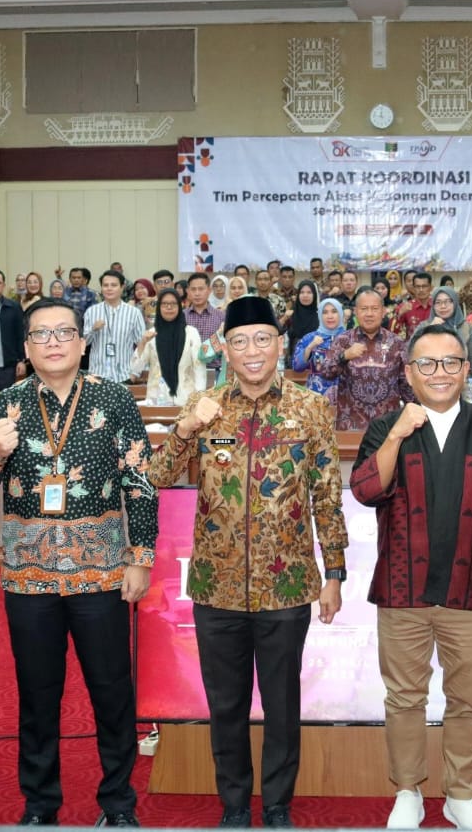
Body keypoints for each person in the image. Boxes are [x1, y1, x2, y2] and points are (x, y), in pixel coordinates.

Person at [147, 296, 347, 829]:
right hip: (216, 586)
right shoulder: (205, 403)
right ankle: (234, 805)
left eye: (262, 339)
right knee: (226, 705)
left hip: (288, 585)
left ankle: (277, 806)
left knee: (283, 704)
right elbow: (157, 477)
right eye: (239, 341)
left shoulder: (310, 408)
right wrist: (186, 428)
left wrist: (334, 573)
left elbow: (327, 495)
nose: (252, 350)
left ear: (279, 344)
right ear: (225, 349)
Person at [0, 297, 157, 828]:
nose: (53, 342)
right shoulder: (4, 404)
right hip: (28, 578)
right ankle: (39, 806)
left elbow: (140, 482)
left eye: (63, 332)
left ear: (82, 342)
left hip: (101, 573)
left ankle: (118, 805)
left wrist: (140, 558)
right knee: (37, 695)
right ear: (26, 347)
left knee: (111, 692)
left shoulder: (114, 399)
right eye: (41, 334)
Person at [352, 324, 472, 832]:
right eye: (426, 363)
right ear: (409, 372)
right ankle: (408, 791)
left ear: (466, 370)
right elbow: (367, 491)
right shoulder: (387, 426)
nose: (439, 373)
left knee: (467, 699)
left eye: (450, 363)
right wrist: (396, 434)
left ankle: (461, 795)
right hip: (403, 590)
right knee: (404, 698)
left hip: (471, 589)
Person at [317, 289, 413, 430]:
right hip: (350, 425)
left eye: (374, 309)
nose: (369, 314)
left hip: (387, 427)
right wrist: (344, 356)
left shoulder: (396, 343)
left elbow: (406, 385)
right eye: (364, 309)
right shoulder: (343, 340)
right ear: (355, 312)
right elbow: (325, 373)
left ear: (383, 311)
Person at [130, 288, 206, 405]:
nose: (169, 307)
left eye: (173, 304)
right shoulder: (151, 334)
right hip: (157, 401)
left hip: (186, 401)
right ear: (159, 307)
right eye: (164, 304)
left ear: (179, 306)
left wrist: (199, 399)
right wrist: (142, 343)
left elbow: (199, 367)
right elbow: (135, 369)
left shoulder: (191, 333)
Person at [84, 270, 146, 384]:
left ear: (122, 287)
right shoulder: (91, 312)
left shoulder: (134, 313)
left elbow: (143, 345)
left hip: (124, 375)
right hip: (97, 375)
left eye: (114, 285)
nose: (109, 288)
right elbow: (84, 343)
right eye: (105, 285)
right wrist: (93, 330)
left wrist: (135, 374)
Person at [429, 288, 472, 397]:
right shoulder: (424, 327)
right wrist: (429, 331)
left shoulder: (467, 328)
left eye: (448, 302)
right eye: (438, 302)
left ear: (455, 303)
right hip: (433, 385)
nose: (443, 306)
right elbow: (413, 355)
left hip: (462, 388)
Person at [293, 296, 346, 403]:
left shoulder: (350, 338)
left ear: (340, 314)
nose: (330, 316)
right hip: (316, 399)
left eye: (334, 311)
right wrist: (310, 347)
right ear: (320, 316)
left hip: (345, 398)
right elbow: (297, 367)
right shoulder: (310, 338)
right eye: (325, 312)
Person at [282, 280, 320, 367]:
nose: (305, 295)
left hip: (317, 362)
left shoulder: (321, 315)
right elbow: (278, 331)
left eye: (309, 292)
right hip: (294, 362)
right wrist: (284, 318)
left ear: (314, 295)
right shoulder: (291, 314)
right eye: (302, 292)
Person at [392, 272, 435, 339]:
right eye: (418, 286)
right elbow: (393, 332)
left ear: (431, 287)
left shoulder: (437, 306)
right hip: (412, 344)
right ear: (414, 288)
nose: (421, 290)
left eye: (424, 286)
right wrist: (399, 315)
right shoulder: (405, 307)